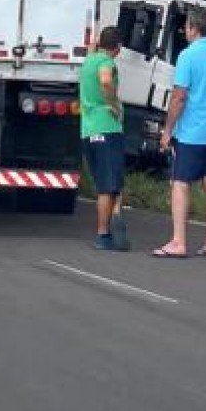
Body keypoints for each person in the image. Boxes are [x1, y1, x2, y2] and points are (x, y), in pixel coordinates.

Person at [151, 10, 206, 259]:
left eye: (186, 27)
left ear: (194, 29)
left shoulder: (187, 56)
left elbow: (179, 96)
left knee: (180, 183)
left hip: (191, 132)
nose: (185, 31)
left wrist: (167, 130)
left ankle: (178, 241)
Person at [79, 26, 128, 251]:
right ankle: (103, 234)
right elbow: (106, 81)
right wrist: (113, 103)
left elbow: (92, 51)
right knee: (109, 186)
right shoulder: (106, 63)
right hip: (107, 127)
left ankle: (114, 216)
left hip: (88, 129)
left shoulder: (89, 61)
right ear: (117, 48)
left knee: (105, 182)